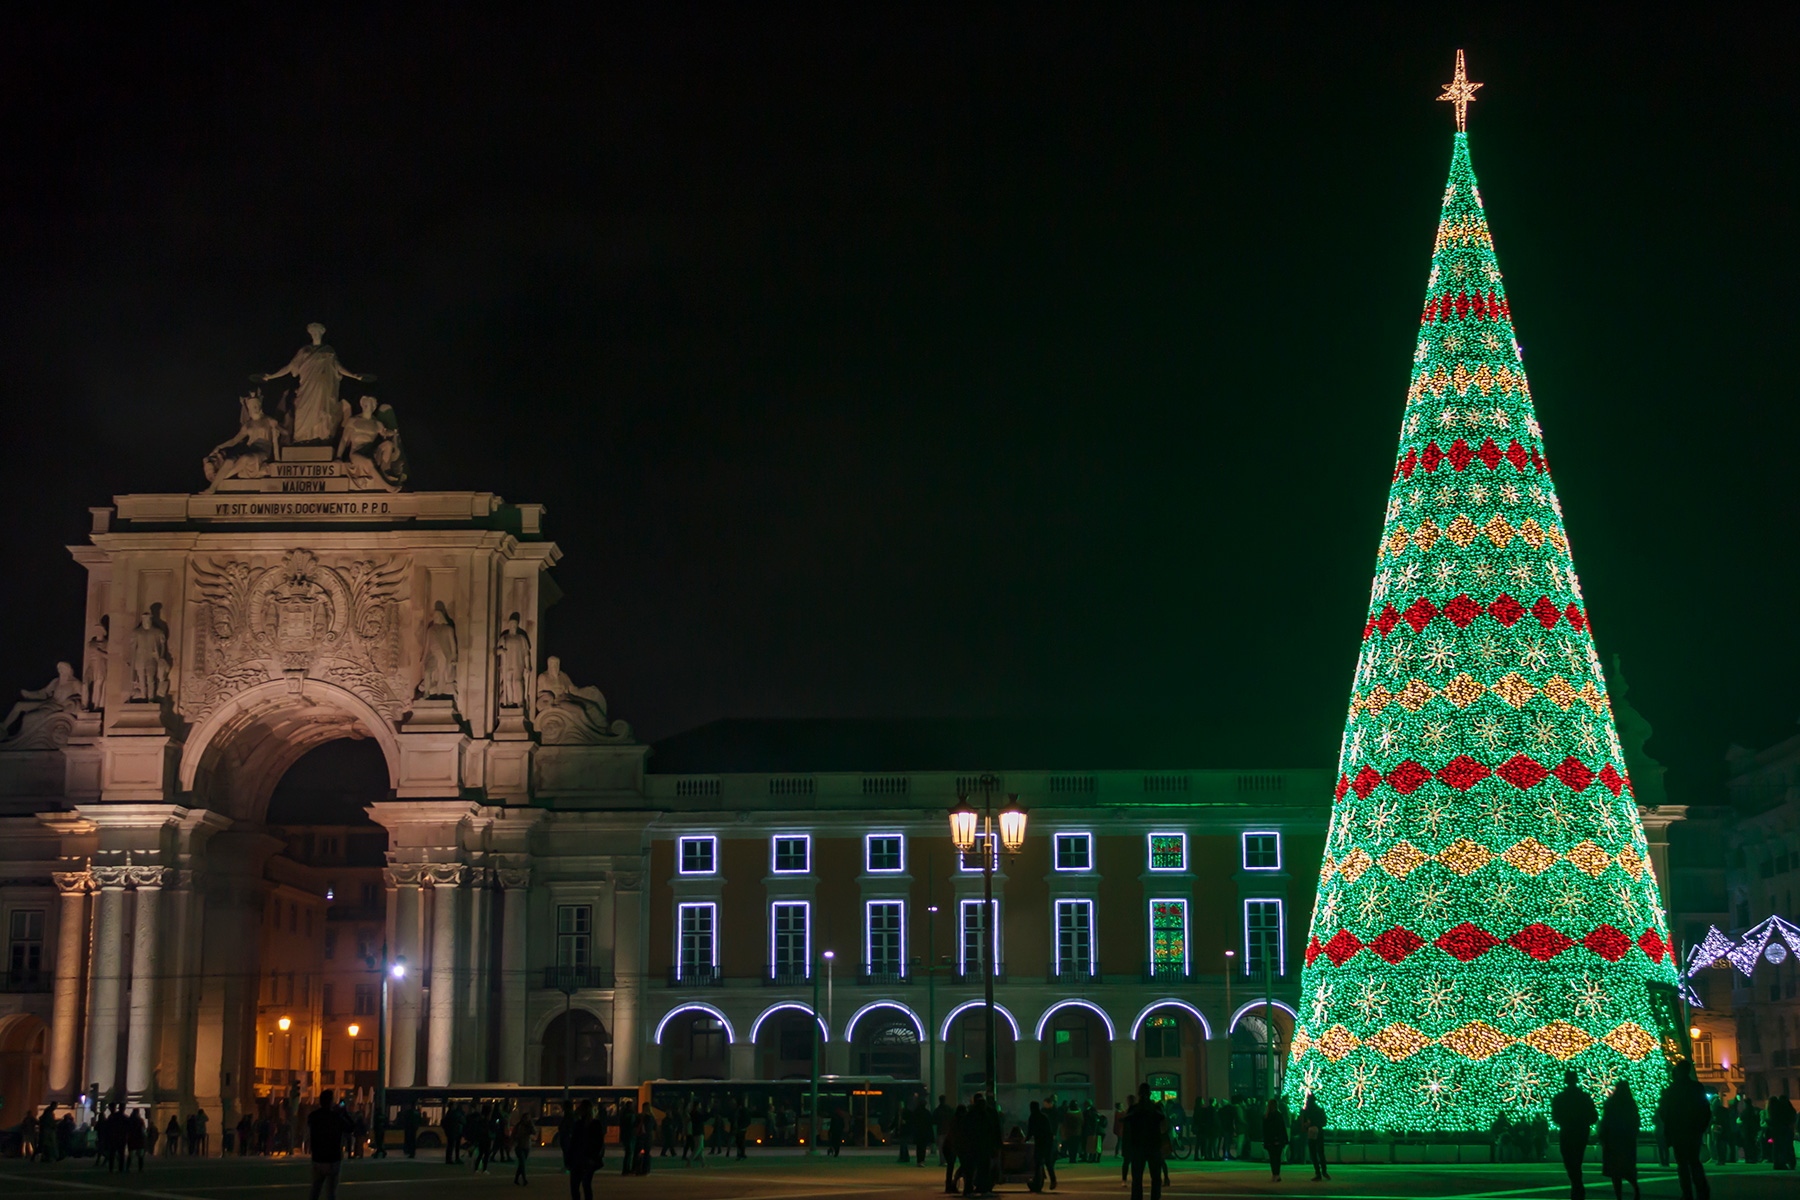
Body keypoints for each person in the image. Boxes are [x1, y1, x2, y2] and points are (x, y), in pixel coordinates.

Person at [1658, 1063, 1711, 1200]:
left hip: (1678, 1132)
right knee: (1694, 1162)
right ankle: (1702, 1191)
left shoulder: (1672, 1090)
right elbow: (1705, 1110)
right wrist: (1700, 1127)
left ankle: (1687, 1193)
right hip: (1693, 1131)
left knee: (1682, 1164)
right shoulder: (1696, 1088)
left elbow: (1664, 1112)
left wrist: (1669, 1129)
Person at [1551, 1069, 1599, 1200]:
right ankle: (1577, 1185)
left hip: (1567, 1131)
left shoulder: (1560, 1098)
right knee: (1577, 1160)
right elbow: (1594, 1116)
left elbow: (1555, 1117)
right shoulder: (1584, 1097)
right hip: (1581, 1132)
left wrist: (1566, 1121)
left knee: (1569, 1160)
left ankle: (1576, 1185)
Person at [307, 1092, 355, 1200]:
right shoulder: (336, 1118)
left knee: (315, 1190)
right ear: (331, 1102)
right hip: (333, 1158)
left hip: (318, 1157)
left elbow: (310, 1123)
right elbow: (351, 1127)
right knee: (331, 1193)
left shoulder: (314, 1116)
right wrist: (344, 1113)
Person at [1123, 1083, 1165, 1200]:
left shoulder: (1134, 1109)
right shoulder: (1155, 1109)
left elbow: (1127, 1124)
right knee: (1155, 1178)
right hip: (1153, 1146)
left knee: (1137, 1179)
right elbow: (1162, 1120)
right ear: (1149, 1093)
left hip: (1138, 1147)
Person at [1599, 1081, 1641, 1200]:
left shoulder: (1611, 1103)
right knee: (1628, 1168)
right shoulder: (1630, 1104)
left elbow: (1605, 1122)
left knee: (1615, 1171)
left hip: (1613, 1141)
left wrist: (1603, 1137)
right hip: (1627, 1141)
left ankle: (1619, 1196)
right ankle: (1636, 1189)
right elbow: (1635, 1122)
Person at [562, 1100, 594, 1200]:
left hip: (577, 1160)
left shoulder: (578, 1124)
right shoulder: (594, 1124)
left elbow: (573, 1144)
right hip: (589, 1160)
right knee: (587, 1186)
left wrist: (568, 1160)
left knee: (575, 1187)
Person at [1027, 1100, 1057, 1193]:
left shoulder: (1032, 1117)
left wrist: (1025, 1139)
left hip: (1039, 1142)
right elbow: (1049, 1130)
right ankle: (1053, 1180)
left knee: (1037, 1163)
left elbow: (1030, 1131)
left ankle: (1037, 1182)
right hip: (1047, 1142)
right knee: (1048, 1162)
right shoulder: (1044, 1117)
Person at [1262, 1095, 1290, 1182]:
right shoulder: (1278, 1115)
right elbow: (1282, 1128)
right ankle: (1277, 1174)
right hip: (1278, 1139)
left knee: (1272, 1158)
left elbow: (1264, 1130)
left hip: (1269, 1140)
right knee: (1277, 1158)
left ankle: (1274, 1174)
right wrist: (1285, 1139)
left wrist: (1265, 1140)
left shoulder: (1266, 1116)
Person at [1302, 1092, 1330, 1180]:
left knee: (1313, 1153)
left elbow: (1304, 1122)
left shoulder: (1307, 1111)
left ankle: (1318, 1173)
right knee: (1321, 1152)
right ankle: (1324, 1171)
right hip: (1320, 1132)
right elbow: (1324, 1122)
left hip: (1311, 1132)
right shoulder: (1320, 1110)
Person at [1767, 1092, 1796, 1170]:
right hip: (1786, 1130)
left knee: (1777, 1147)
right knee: (1787, 1146)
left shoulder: (1771, 1111)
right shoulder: (1787, 1109)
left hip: (1776, 1131)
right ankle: (1789, 1162)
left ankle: (1778, 1163)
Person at [944, 1102, 965, 1195]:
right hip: (955, 1145)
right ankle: (953, 1183)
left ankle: (950, 1184)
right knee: (963, 1165)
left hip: (951, 1145)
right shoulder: (961, 1121)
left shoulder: (954, 1120)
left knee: (951, 1166)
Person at [512, 1111, 535, 1186]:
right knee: (522, 1163)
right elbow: (514, 1135)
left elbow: (534, 1132)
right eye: (526, 1118)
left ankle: (516, 1179)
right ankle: (524, 1179)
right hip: (519, 1146)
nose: (527, 1119)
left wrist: (531, 1125)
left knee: (521, 1164)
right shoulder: (519, 1126)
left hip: (526, 1146)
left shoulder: (529, 1126)